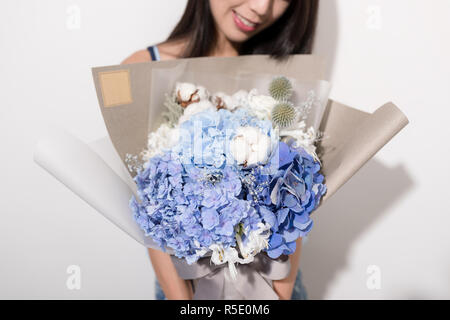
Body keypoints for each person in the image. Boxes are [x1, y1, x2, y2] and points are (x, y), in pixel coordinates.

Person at [122, 0, 319, 300]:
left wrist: (279, 297)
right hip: (186, 289)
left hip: (275, 287)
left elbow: (293, 197)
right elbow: (148, 207)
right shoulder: (142, 67)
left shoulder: (283, 76)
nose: (262, 7)